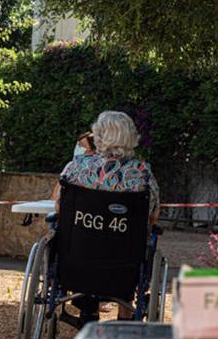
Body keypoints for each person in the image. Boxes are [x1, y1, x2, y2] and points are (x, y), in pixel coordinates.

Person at [57, 110, 160, 322]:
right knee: (134, 245)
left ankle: (88, 307)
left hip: (76, 259)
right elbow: (153, 217)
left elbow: (60, 207)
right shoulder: (142, 173)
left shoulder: (76, 167)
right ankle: (126, 312)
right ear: (131, 138)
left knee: (84, 239)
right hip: (123, 265)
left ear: (98, 136)